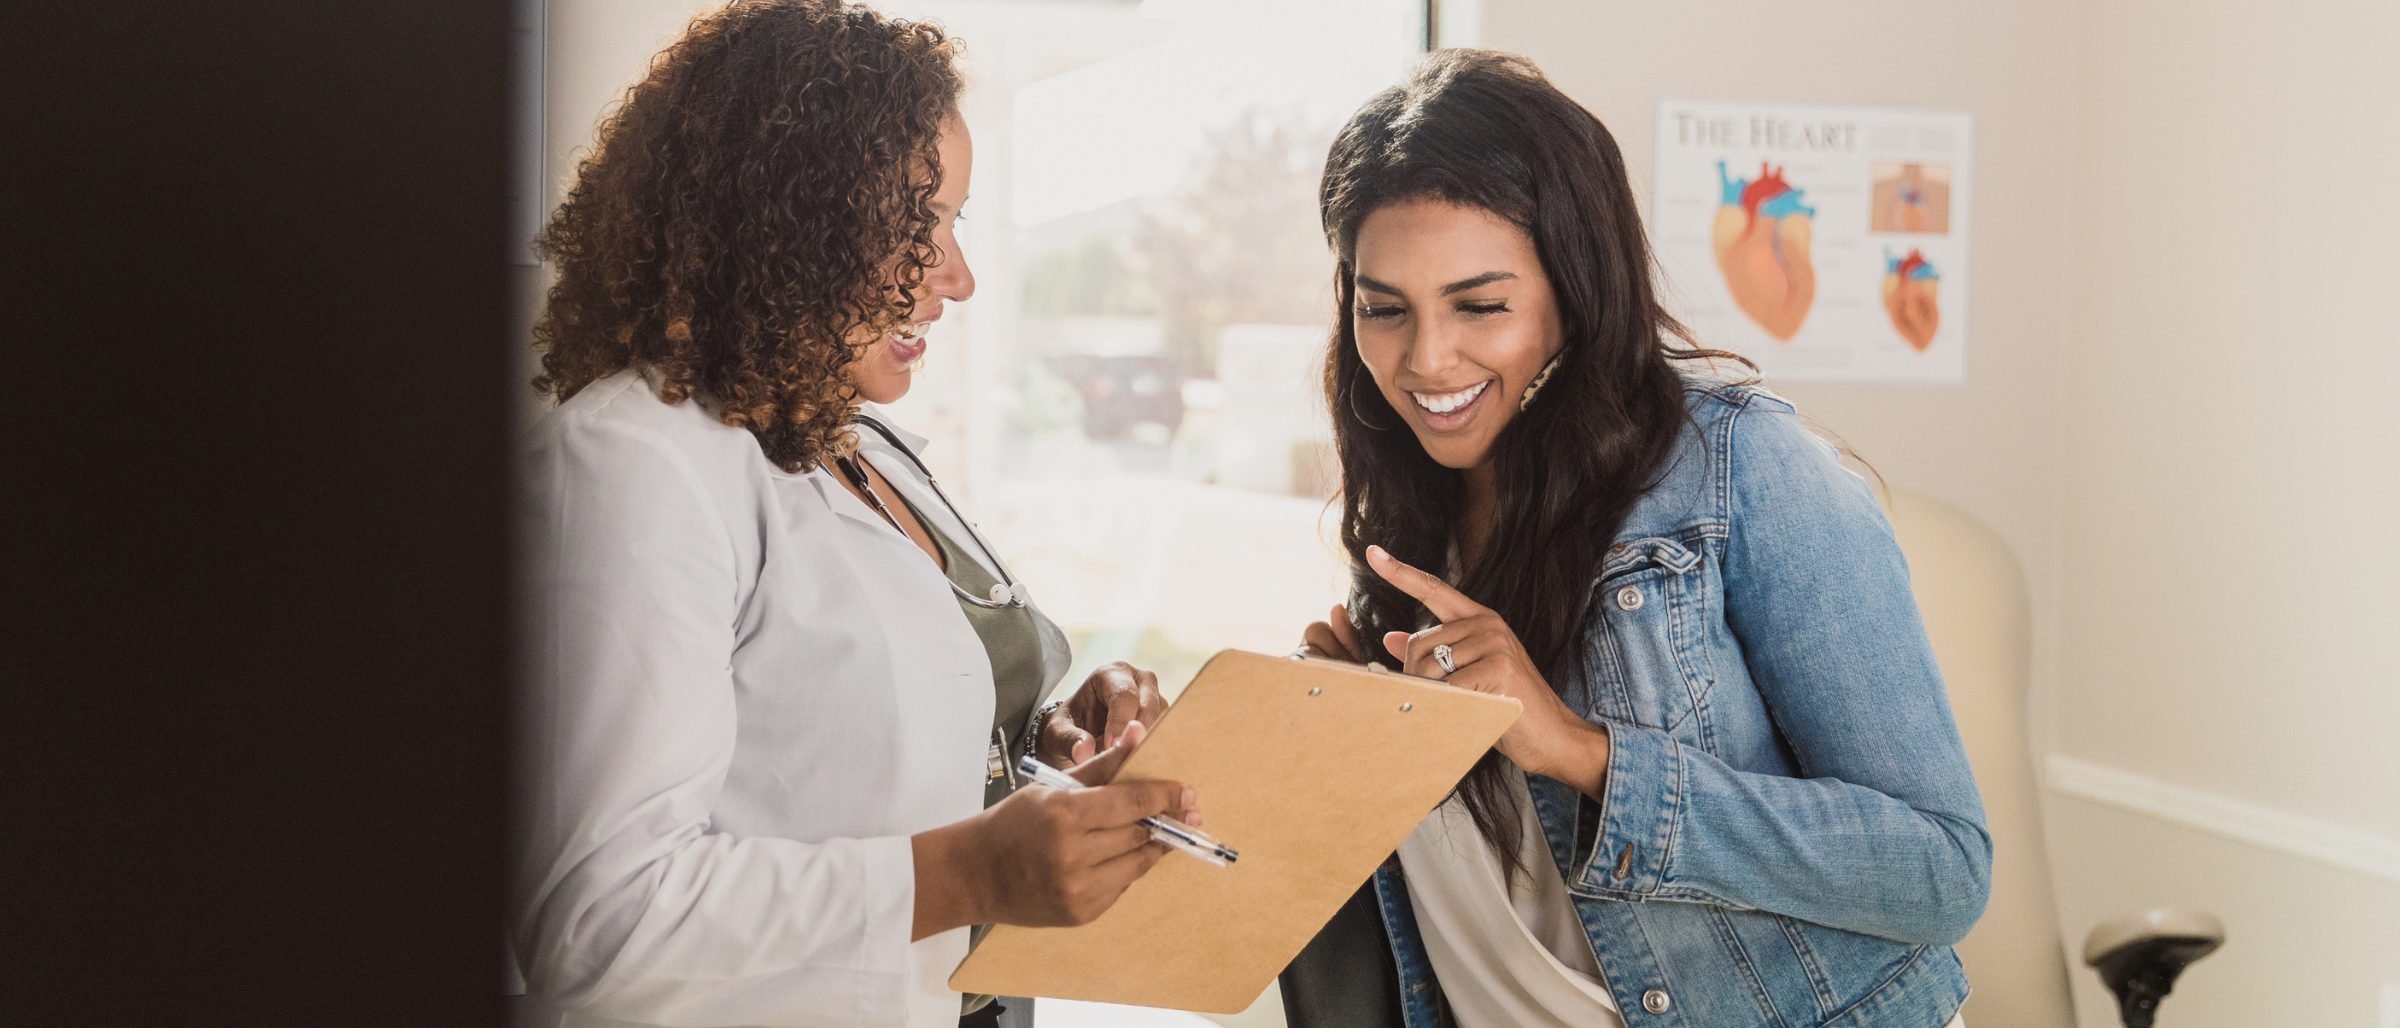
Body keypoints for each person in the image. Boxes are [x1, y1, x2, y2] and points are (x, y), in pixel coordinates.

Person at [511, 4, 1195, 1026]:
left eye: (957, 222)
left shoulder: (858, 441)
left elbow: (852, 731)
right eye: (913, 228)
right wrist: (959, 874)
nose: (955, 279)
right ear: (782, 220)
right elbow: (599, 920)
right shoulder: (634, 462)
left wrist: (1045, 739)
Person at [1283, 51, 1990, 1028]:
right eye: (1382, 307)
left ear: (1575, 286)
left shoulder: (1742, 463)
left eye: (1480, 304)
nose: (1425, 358)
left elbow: (1940, 866)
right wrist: (1352, 729)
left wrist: (1582, 752)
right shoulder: (1415, 516)